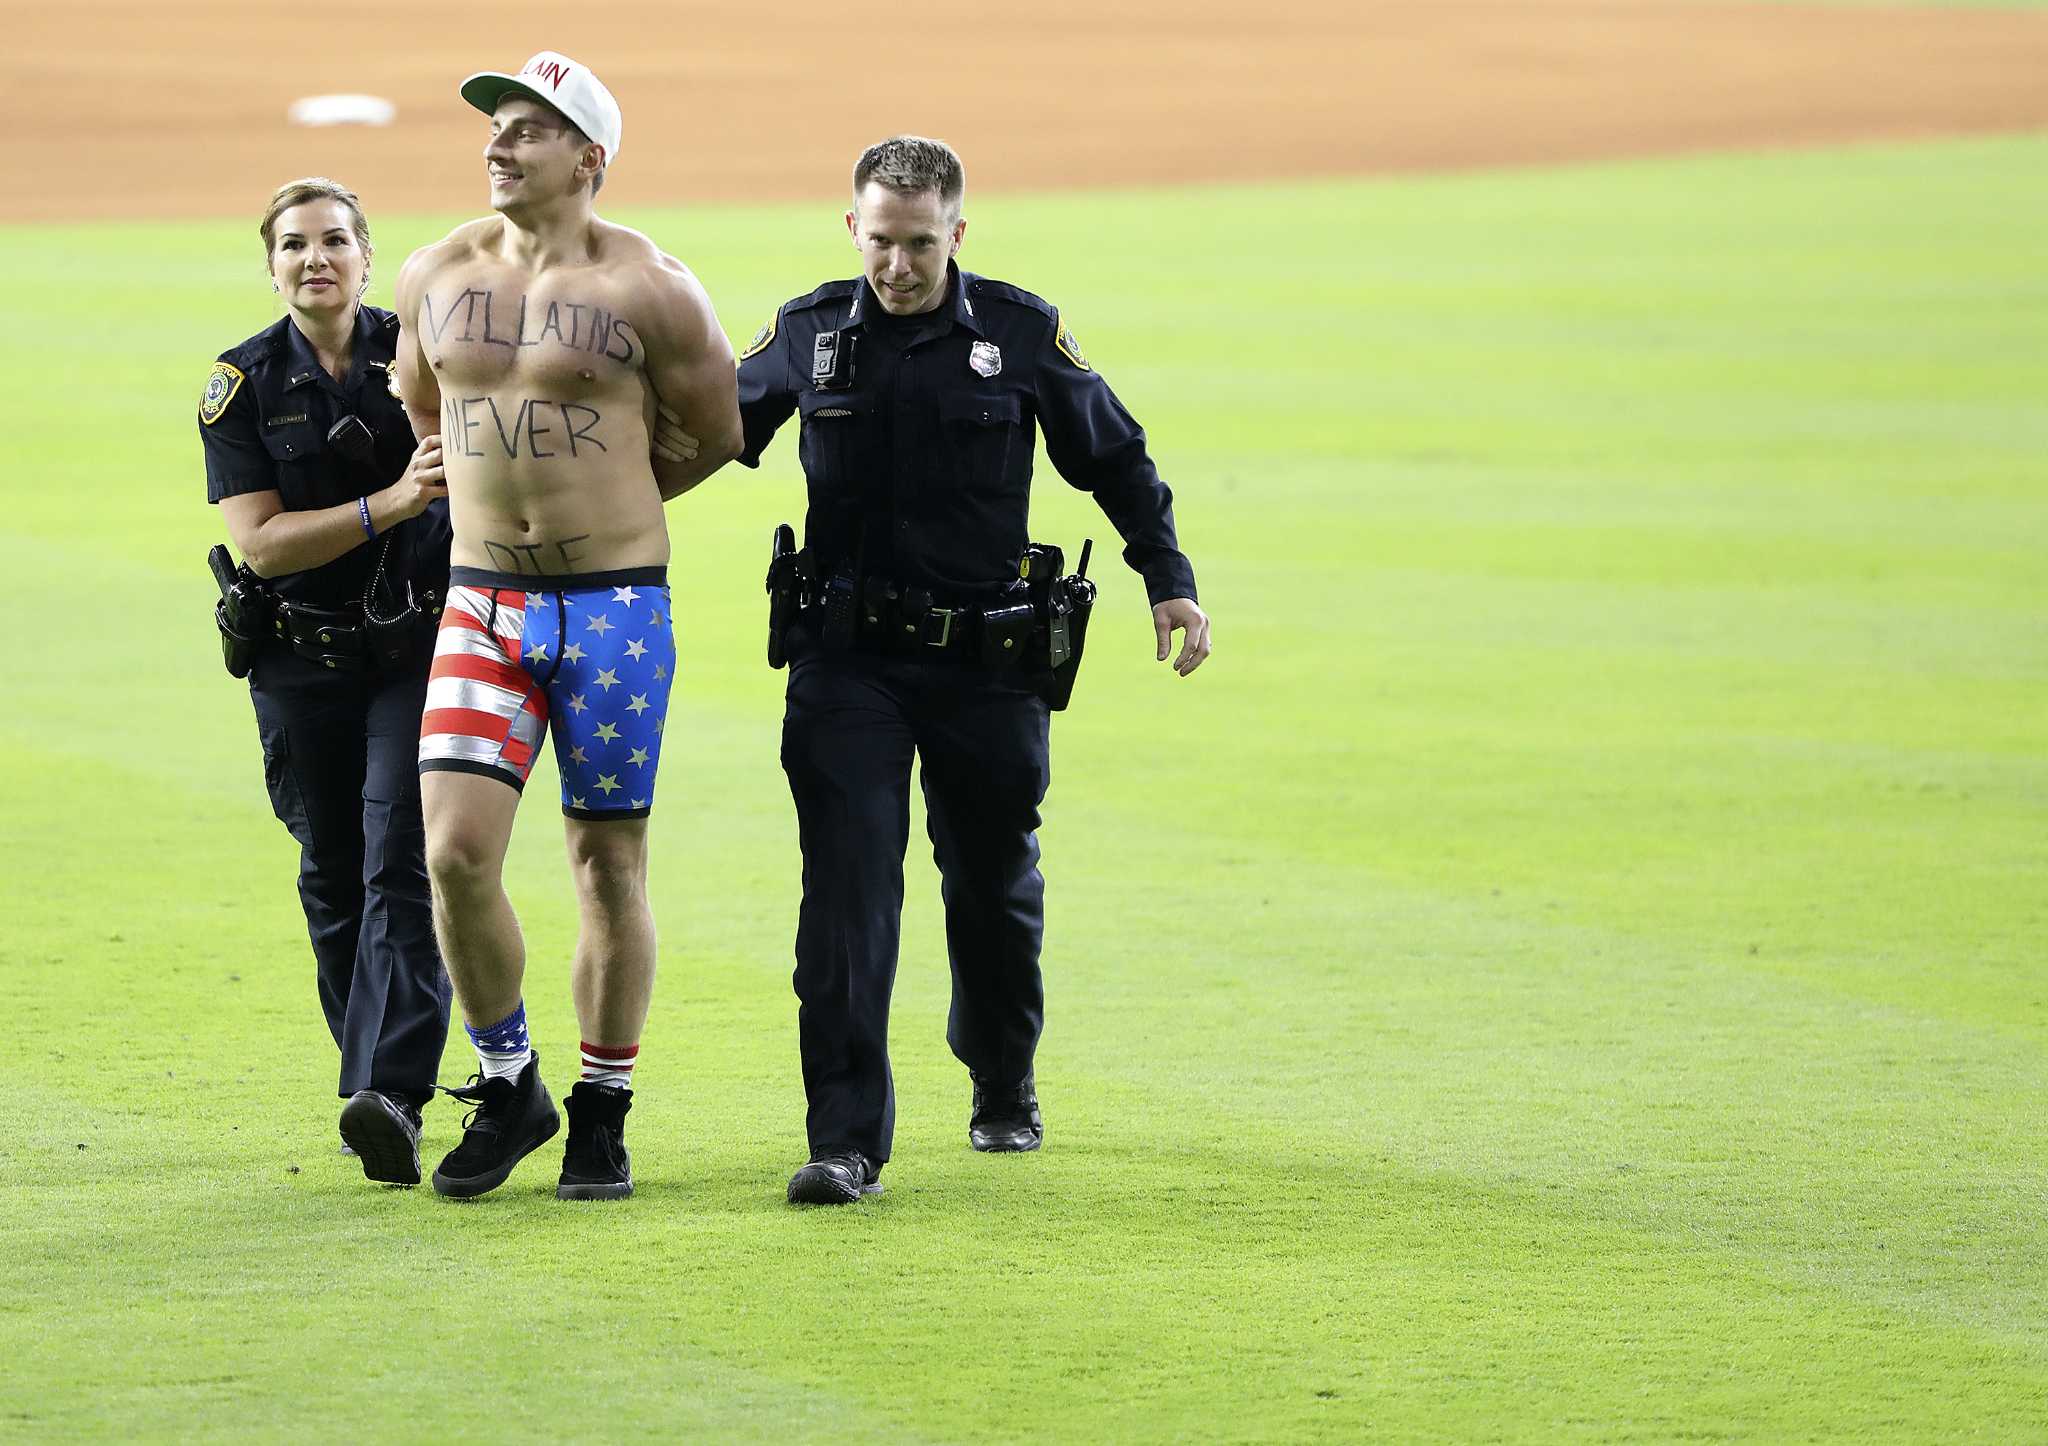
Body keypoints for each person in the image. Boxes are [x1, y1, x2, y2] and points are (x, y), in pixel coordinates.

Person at [722, 135, 1213, 1205]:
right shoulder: (804, 337)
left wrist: (1165, 577)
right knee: (845, 895)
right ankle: (845, 1141)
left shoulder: (1021, 334)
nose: (896, 267)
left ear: (957, 232)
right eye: (879, 242)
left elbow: (1116, 458)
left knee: (990, 885)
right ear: (850, 228)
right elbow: (702, 433)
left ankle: (1000, 1072)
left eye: (919, 244)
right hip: (846, 664)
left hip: (988, 662)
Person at [393, 51, 743, 1202]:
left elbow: (713, 433)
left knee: (605, 861)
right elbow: (420, 399)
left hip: (615, 611)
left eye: (528, 130)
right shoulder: (434, 269)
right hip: (480, 601)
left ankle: (603, 1105)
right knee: (452, 854)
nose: (498, 145)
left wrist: (608, 517)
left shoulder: (655, 287)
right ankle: (510, 1082)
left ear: (588, 158)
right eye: (494, 128)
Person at [199, 177, 455, 1186]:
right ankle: (374, 1093)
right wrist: (389, 504)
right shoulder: (242, 384)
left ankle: (391, 1091)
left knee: (401, 860)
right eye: (296, 244)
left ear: (366, 252)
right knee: (332, 874)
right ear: (271, 264)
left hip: (410, 655)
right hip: (299, 659)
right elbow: (260, 545)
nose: (317, 259)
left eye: (336, 240)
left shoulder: (424, 349)